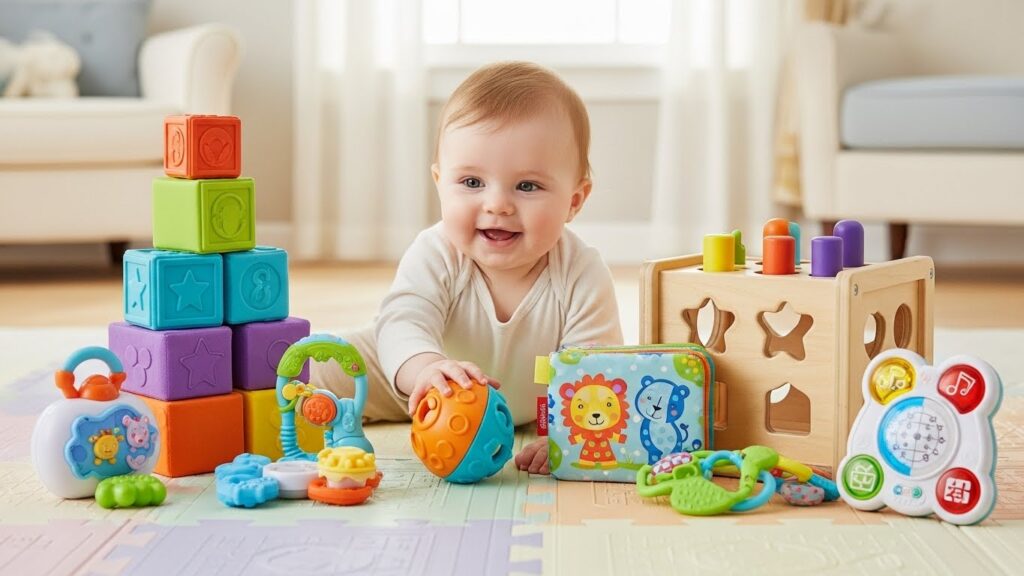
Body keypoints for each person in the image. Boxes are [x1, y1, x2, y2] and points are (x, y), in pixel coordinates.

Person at [312, 61, 622, 475]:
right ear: (440, 182)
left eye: (527, 186)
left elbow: (594, 367)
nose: (497, 204)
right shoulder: (437, 251)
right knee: (309, 368)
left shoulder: (582, 272)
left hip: (531, 404)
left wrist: (566, 432)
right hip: (412, 376)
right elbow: (404, 319)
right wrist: (425, 369)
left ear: (574, 200)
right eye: (472, 183)